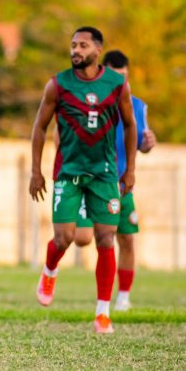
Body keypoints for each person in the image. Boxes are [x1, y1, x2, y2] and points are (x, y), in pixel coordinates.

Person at [29, 27, 137, 334]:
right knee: (64, 238)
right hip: (69, 172)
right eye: (73, 45)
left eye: (83, 45)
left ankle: (103, 312)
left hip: (104, 173)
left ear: (97, 50)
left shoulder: (117, 84)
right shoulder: (58, 84)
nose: (76, 50)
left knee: (106, 239)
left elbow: (129, 126)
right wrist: (36, 171)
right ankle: (50, 270)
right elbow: (40, 127)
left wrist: (129, 170)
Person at [70, 50, 156, 312]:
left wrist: (147, 144)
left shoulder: (138, 106)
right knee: (84, 238)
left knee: (127, 240)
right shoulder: (89, 102)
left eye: (125, 78)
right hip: (91, 181)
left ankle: (123, 298)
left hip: (121, 186)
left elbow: (140, 141)